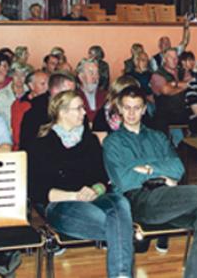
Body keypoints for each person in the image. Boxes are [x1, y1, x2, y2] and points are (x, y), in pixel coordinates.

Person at [103, 86, 197, 278]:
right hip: (139, 201)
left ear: (144, 109)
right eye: (127, 108)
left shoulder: (158, 137)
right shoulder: (112, 142)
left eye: (136, 108)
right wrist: (161, 173)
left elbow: (178, 168)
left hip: (167, 199)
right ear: (119, 109)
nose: (131, 113)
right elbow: (124, 180)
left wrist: (147, 168)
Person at [28, 90, 133, 277]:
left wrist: (96, 188)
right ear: (62, 112)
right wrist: (76, 196)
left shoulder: (89, 140)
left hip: (93, 197)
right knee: (118, 224)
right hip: (61, 204)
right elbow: (38, 191)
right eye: (78, 108)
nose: (84, 113)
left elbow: (103, 176)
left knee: (120, 203)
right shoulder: (42, 144)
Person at [19, 73, 76, 151]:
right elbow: (29, 148)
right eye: (69, 93)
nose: (73, 97)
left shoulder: (78, 112)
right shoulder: (34, 115)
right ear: (55, 91)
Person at [149, 48, 190, 134]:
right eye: (171, 57)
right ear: (165, 59)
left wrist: (174, 84)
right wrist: (183, 86)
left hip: (185, 111)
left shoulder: (183, 71)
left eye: (176, 57)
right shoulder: (157, 75)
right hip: (166, 113)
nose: (175, 60)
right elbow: (166, 91)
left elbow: (191, 83)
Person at [11, 70, 48, 150]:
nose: (47, 87)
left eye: (49, 83)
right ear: (31, 86)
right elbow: (18, 136)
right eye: (43, 84)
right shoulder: (20, 105)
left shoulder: (51, 101)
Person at [0, 62, 28, 129]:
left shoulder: (30, 93)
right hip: (7, 134)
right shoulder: (2, 94)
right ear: (12, 76)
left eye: (22, 75)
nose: (19, 79)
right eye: (16, 75)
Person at [75, 59, 108, 124]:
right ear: (81, 77)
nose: (95, 77)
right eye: (91, 73)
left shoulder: (106, 96)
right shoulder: (75, 96)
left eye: (97, 73)